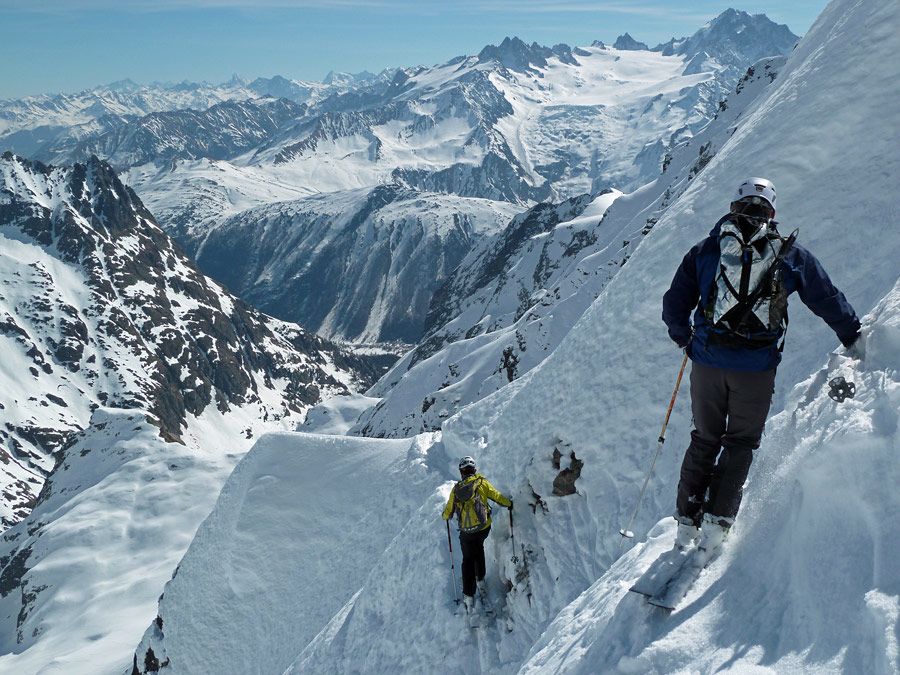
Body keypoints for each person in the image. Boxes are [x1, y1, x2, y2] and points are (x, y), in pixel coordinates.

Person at [662, 177, 862, 559]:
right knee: (739, 443)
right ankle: (718, 526)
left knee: (704, 437)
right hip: (755, 369)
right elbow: (826, 298)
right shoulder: (789, 255)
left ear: (734, 208)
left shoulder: (706, 251)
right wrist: (852, 334)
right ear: (771, 212)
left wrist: (685, 340)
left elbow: (674, 305)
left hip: (706, 363)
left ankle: (686, 524)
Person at [442, 456, 512, 614]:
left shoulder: (457, 488)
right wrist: (510, 504)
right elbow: (497, 497)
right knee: (479, 551)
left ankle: (469, 595)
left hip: (466, 532)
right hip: (482, 528)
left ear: (461, 472)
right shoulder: (481, 483)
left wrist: (445, 516)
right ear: (474, 470)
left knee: (467, 560)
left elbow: (448, 512)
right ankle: (480, 580)